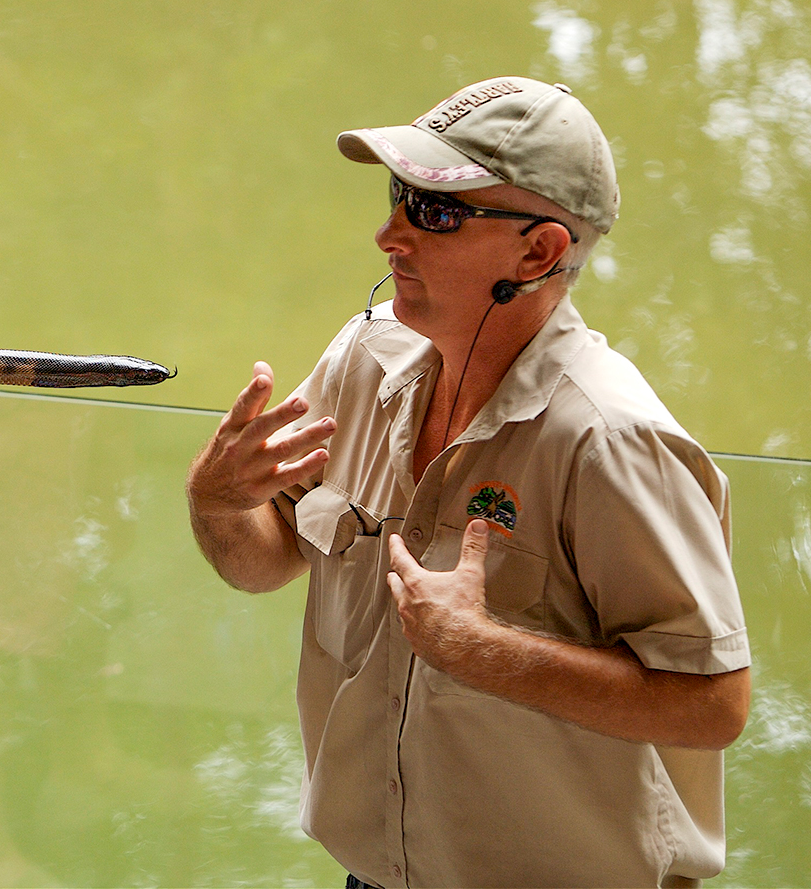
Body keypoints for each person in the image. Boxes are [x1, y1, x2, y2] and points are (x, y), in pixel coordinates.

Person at [185, 77, 751, 888]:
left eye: (436, 211)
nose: (389, 235)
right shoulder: (364, 356)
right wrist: (216, 501)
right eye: (398, 197)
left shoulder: (609, 439)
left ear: (539, 253)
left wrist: (484, 653)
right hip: (379, 873)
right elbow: (262, 561)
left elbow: (714, 705)